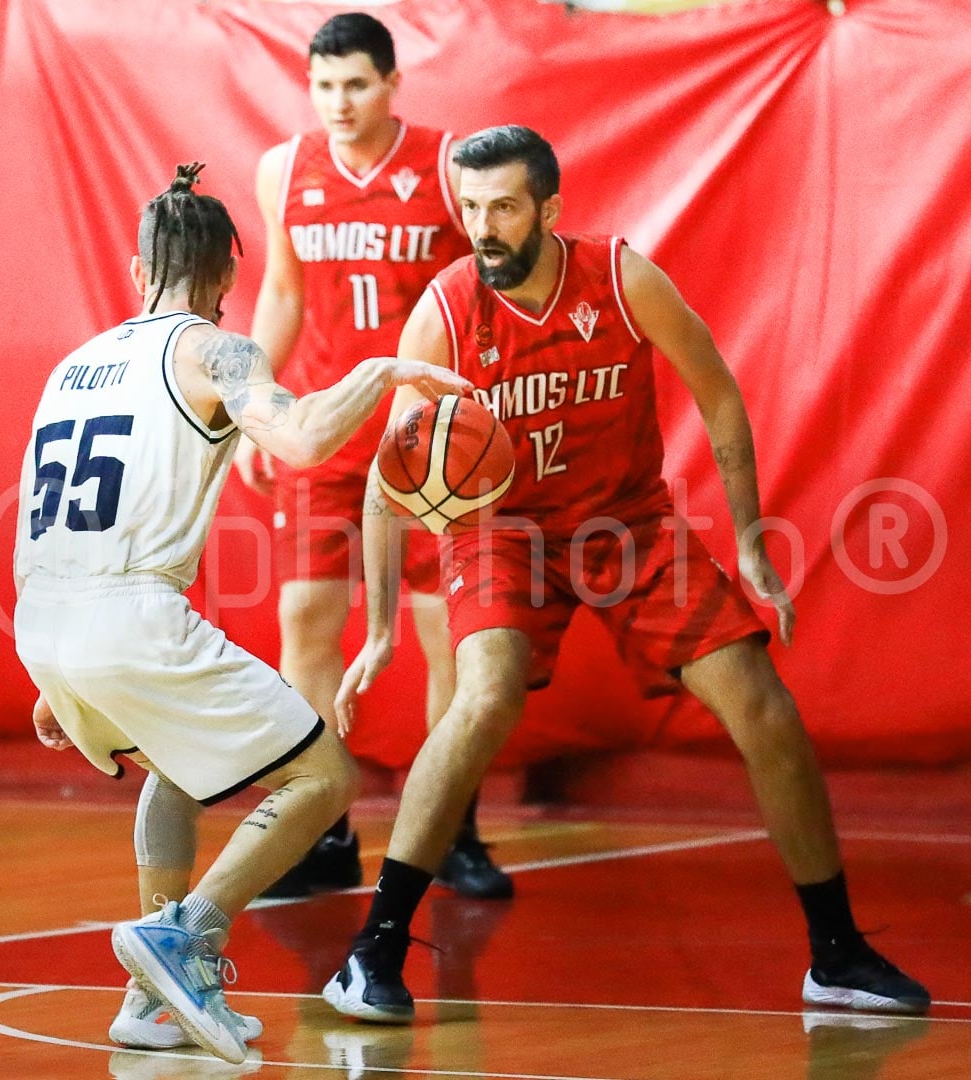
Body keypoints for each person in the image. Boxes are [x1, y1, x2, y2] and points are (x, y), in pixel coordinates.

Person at [322, 126, 931, 1023]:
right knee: (484, 697)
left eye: (502, 207)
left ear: (550, 210)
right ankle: (372, 951)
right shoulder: (446, 312)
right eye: (470, 206)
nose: (481, 226)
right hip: (503, 530)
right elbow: (387, 477)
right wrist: (378, 631)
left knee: (762, 702)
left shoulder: (619, 277)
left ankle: (836, 953)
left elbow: (718, 388)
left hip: (625, 524)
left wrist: (755, 544)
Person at [13, 162, 471, 1063]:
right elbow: (300, 441)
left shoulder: (73, 365)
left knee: (176, 766)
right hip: (129, 615)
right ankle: (188, 935)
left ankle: (149, 1000)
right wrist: (379, 370)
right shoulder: (214, 351)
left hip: (45, 617)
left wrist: (54, 671)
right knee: (323, 781)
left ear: (137, 269)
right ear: (229, 274)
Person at [232, 12, 512, 901]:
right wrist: (253, 405)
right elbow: (282, 292)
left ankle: (450, 826)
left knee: (441, 632)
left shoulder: (444, 162)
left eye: (356, 84)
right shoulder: (285, 168)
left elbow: (487, 288)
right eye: (323, 86)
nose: (339, 102)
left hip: (424, 435)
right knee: (307, 623)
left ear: (392, 83)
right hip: (324, 421)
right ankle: (321, 829)